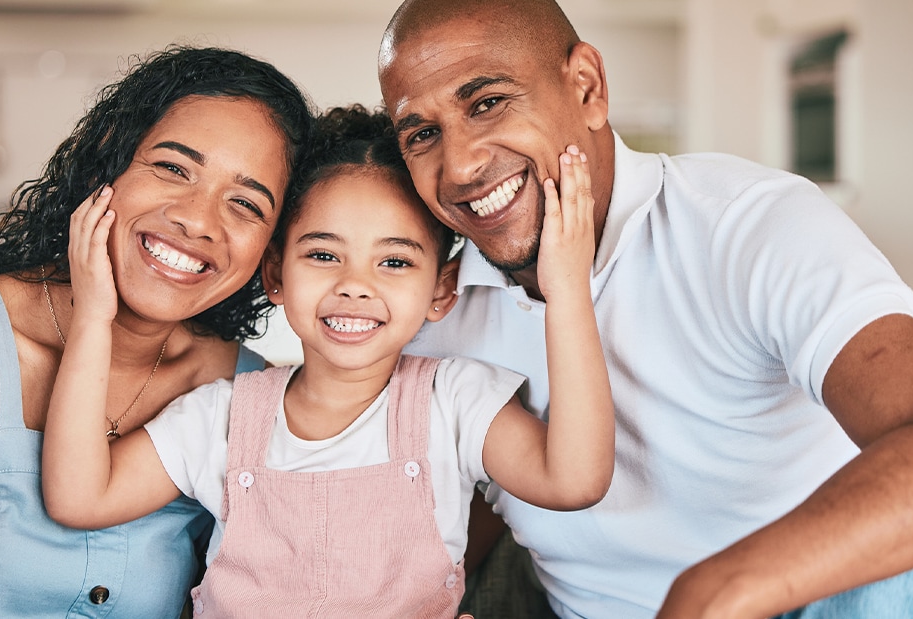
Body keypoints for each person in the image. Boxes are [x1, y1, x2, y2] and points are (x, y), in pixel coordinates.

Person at [378, 0, 913, 619]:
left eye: (487, 101)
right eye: (422, 134)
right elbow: (445, 524)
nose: (460, 164)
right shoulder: (430, 314)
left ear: (587, 88)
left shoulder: (748, 225)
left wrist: (713, 594)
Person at [0, 46, 314, 618]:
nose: (198, 219)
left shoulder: (250, 394)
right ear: (104, 165)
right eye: (172, 168)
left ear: (270, 251)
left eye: (245, 203)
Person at [40, 105, 614, 617]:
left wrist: (566, 291)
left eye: (394, 262)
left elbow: (574, 480)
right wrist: (94, 317)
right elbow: (79, 497)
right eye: (322, 254)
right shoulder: (221, 417)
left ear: (441, 289)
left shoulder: (453, 403)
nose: (354, 286)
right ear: (275, 275)